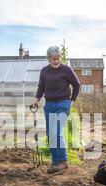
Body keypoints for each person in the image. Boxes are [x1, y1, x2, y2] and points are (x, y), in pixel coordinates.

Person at [31, 46, 80, 174]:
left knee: (56, 131)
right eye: (54, 59)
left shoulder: (66, 70)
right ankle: (55, 161)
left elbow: (77, 84)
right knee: (50, 133)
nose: (56, 61)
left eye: (58, 59)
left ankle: (63, 161)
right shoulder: (44, 71)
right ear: (49, 59)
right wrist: (36, 99)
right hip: (49, 105)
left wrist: (72, 100)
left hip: (63, 103)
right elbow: (41, 87)